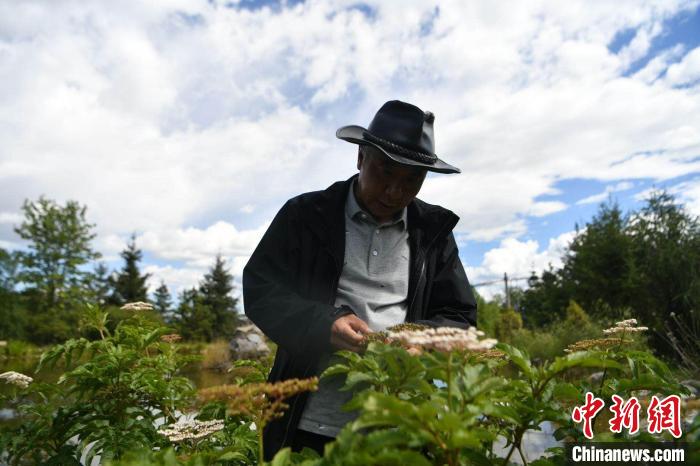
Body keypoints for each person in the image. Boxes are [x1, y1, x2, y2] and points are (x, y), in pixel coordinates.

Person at [243, 100, 477, 460]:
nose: (395, 192)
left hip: (401, 425)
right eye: (384, 171)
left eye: (411, 179)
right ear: (360, 158)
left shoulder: (434, 233)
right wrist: (326, 323)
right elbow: (260, 290)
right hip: (308, 425)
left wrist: (419, 342)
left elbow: (460, 319)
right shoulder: (305, 216)